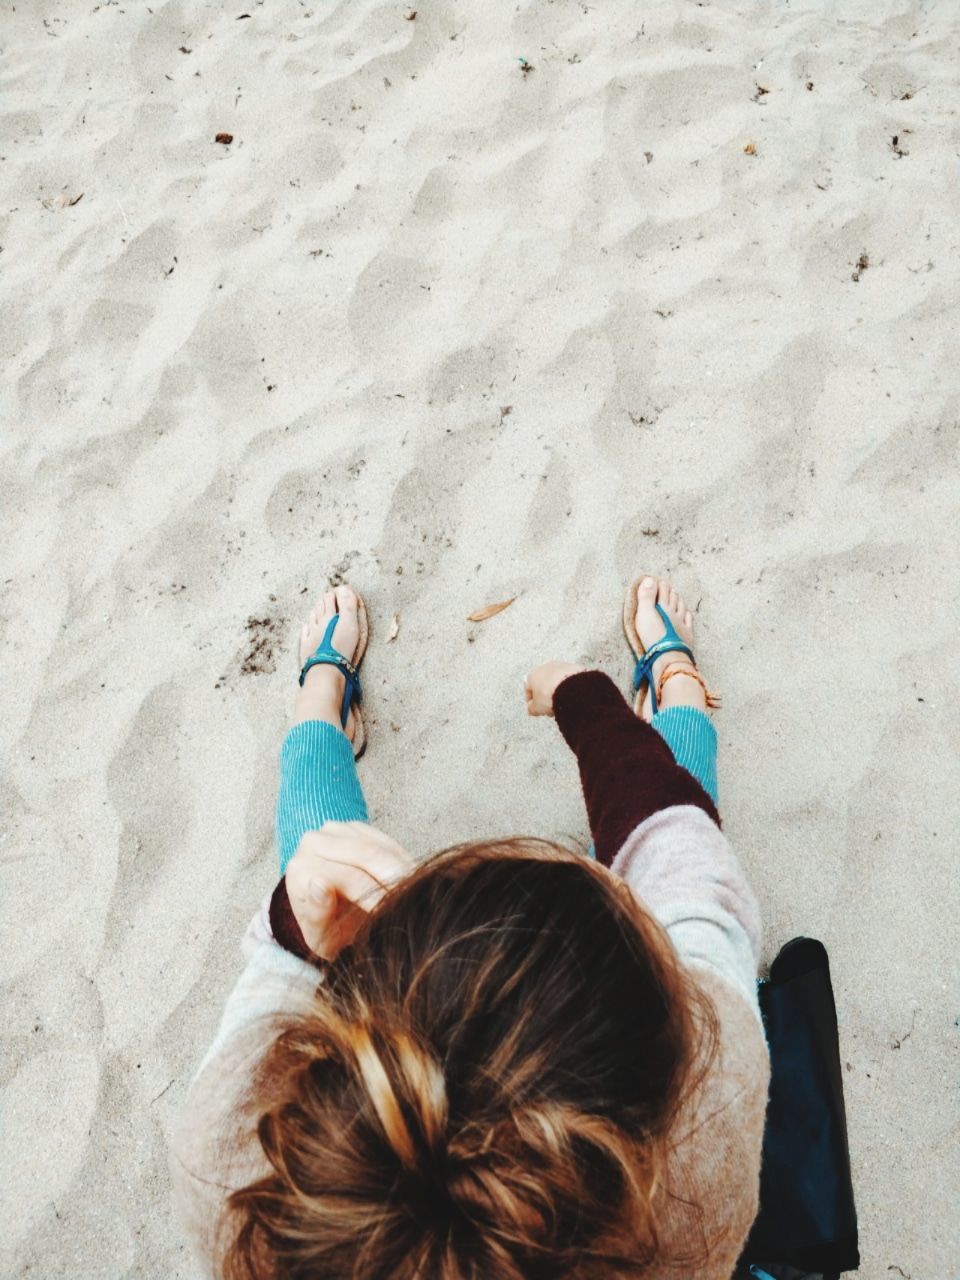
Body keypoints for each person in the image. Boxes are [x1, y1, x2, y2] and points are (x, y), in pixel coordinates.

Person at [170, 574, 770, 1279]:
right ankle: (674, 683)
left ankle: (321, 698)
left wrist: (299, 936)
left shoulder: (236, 1178)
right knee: (674, 807)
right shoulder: (703, 1107)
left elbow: (270, 998)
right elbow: (683, 852)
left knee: (324, 865)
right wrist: (582, 694)